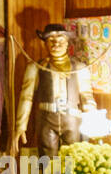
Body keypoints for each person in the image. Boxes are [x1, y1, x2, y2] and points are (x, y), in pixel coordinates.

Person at [13, 23, 96, 165]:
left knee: (72, 160)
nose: (56, 43)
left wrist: (93, 121)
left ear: (67, 43)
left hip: (72, 119)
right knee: (48, 162)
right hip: (46, 119)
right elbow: (26, 96)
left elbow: (86, 95)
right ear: (45, 43)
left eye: (61, 40)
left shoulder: (80, 68)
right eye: (51, 40)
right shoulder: (36, 67)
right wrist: (21, 126)